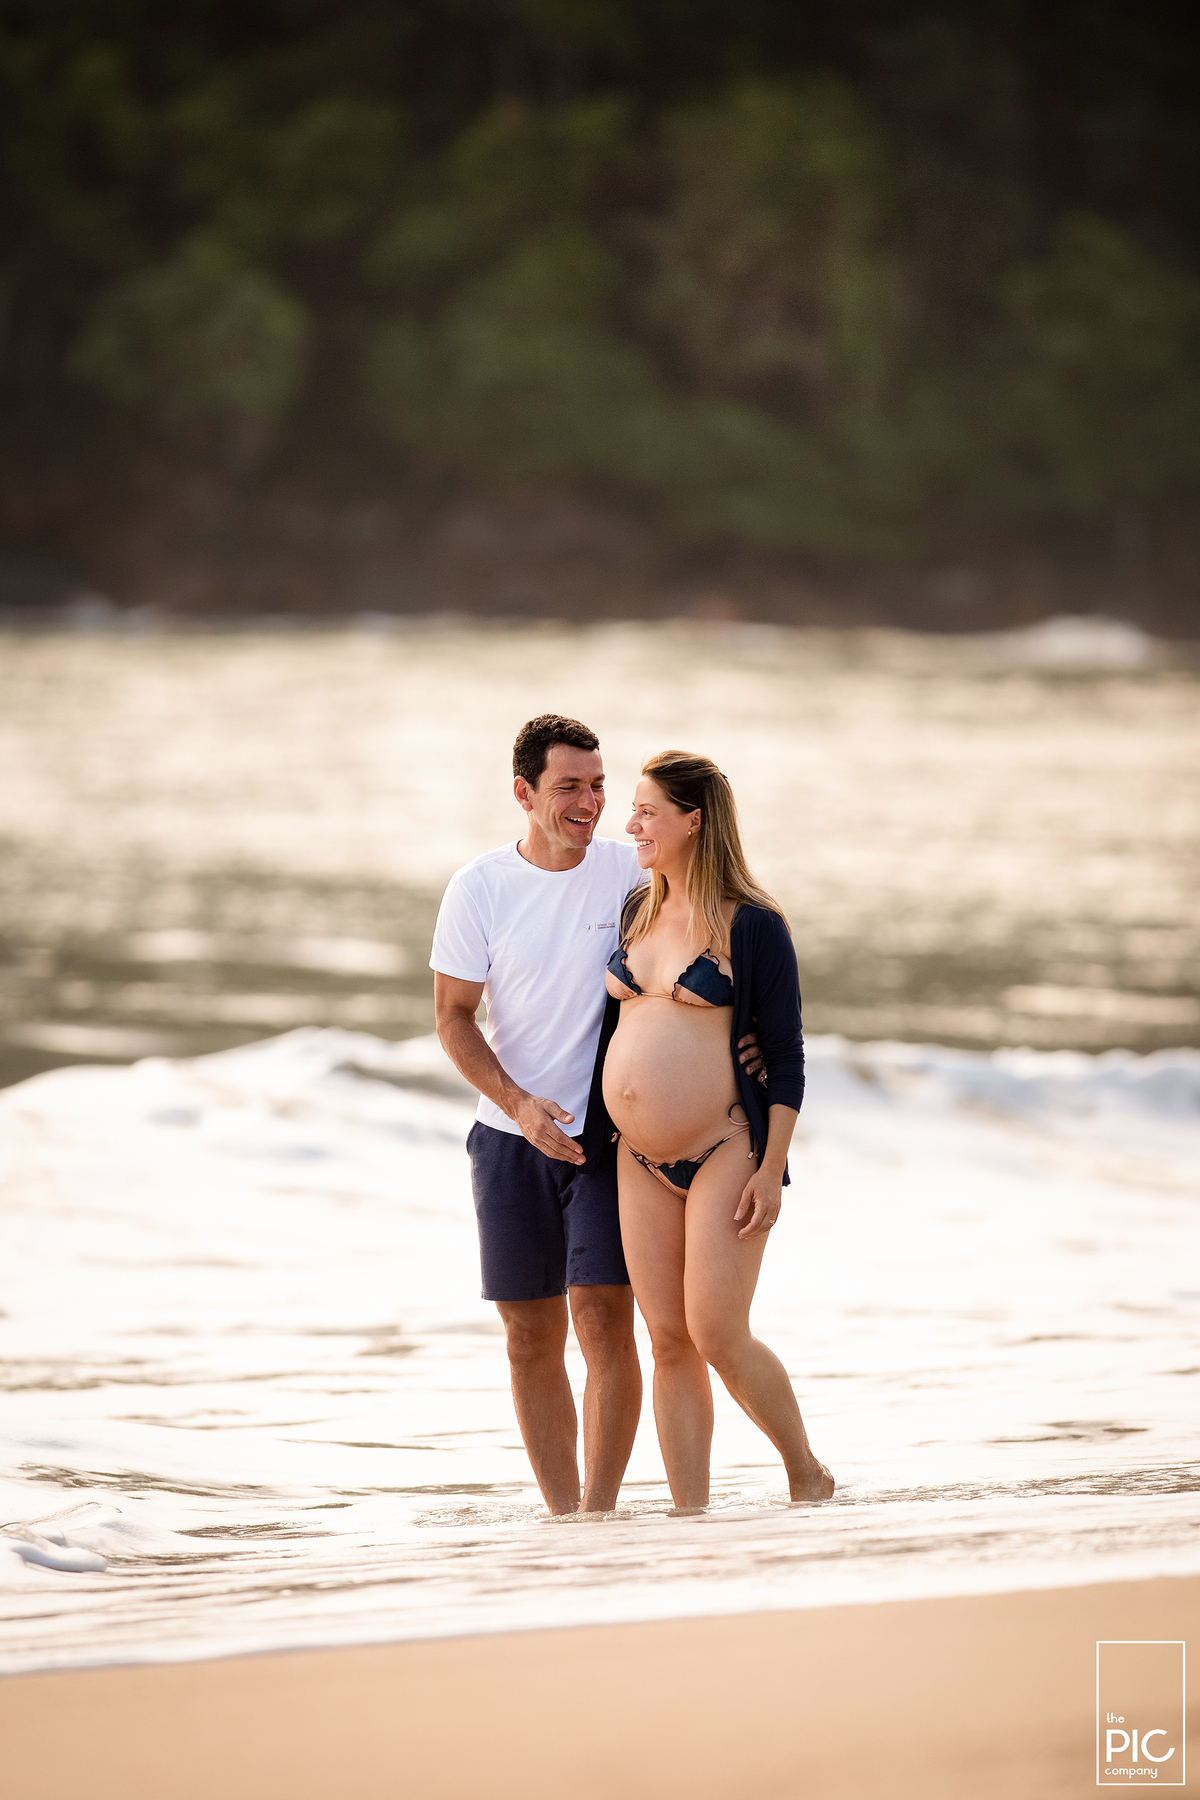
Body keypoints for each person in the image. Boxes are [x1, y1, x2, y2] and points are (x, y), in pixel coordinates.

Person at [431, 715, 763, 1517]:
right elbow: (453, 1018)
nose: (590, 803)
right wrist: (518, 1104)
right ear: (524, 793)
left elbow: (725, 931)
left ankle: (598, 1514)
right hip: (509, 1139)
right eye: (568, 787)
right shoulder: (478, 887)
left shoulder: (632, 874)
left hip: (611, 1143)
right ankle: (564, 1518)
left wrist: (752, 1036)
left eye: (598, 785)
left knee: (604, 1321)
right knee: (527, 1336)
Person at [600, 750, 834, 1509]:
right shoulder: (636, 911)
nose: (632, 824)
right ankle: (688, 1513)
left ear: (693, 820)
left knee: (716, 1333)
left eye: (647, 811)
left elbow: (787, 1054)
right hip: (637, 1156)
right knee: (667, 1340)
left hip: (726, 1147)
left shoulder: (754, 925)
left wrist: (771, 1169)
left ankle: (805, 1470)